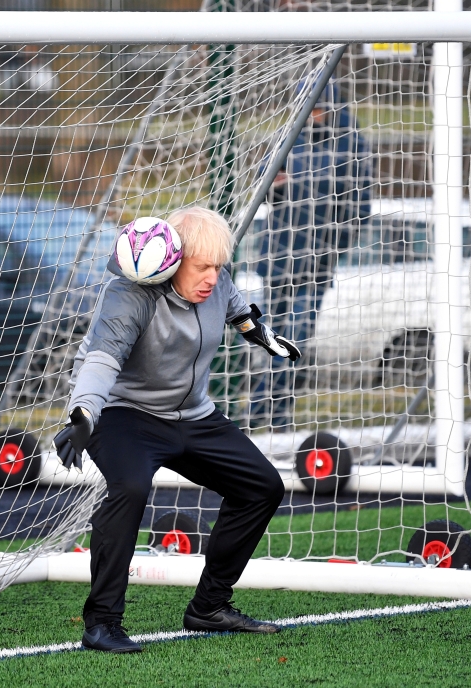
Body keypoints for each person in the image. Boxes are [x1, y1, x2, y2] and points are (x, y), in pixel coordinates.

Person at [54, 207, 300, 654]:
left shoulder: (217, 283)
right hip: (123, 414)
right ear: (171, 260)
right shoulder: (129, 295)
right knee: (129, 487)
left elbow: (237, 308)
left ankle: (209, 606)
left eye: (218, 266)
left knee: (262, 486)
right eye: (201, 266)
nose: (212, 276)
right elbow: (102, 359)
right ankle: (102, 622)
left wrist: (260, 334)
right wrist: (84, 412)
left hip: (193, 415)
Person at [251, 80, 373, 430]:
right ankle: (278, 417)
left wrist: (335, 248)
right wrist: (276, 183)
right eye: (309, 109)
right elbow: (264, 183)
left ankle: (256, 411)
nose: (313, 116)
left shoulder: (351, 145)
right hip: (276, 261)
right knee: (272, 340)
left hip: (316, 264)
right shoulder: (289, 137)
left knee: (295, 339)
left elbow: (359, 207)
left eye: (319, 109)